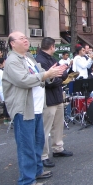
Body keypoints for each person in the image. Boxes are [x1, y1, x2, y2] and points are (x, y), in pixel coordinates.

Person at [3, 31, 67, 185]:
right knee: (27, 146)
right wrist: (46, 74)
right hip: (24, 109)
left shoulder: (29, 58)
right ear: (12, 43)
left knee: (38, 142)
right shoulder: (12, 61)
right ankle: (26, 181)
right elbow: (23, 80)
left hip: (38, 107)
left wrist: (52, 74)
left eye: (26, 37)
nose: (26, 40)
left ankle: (37, 171)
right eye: (21, 38)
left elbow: (41, 76)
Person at [36, 37, 73, 168]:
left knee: (58, 125)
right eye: (54, 47)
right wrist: (59, 78)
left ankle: (58, 148)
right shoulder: (40, 60)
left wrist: (60, 75)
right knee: (46, 129)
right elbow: (47, 81)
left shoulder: (52, 59)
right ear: (52, 46)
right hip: (47, 98)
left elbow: (63, 75)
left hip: (57, 96)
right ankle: (43, 155)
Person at [0, 58, 10, 124]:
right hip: (3, 90)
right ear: (1, 64)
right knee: (6, 104)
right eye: (4, 62)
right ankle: (6, 118)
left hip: (5, 89)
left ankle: (8, 118)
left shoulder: (2, 70)